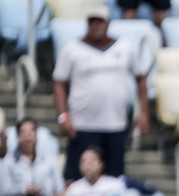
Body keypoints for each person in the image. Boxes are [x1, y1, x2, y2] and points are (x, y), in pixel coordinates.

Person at [53, 5, 149, 182]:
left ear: (108, 23)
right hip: (82, 125)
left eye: (100, 21)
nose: (96, 25)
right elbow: (59, 82)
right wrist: (63, 116)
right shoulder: (72, 48)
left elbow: (141, 78)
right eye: (92, 21)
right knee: (74, 178)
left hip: (115, 125)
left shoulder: (124, 47)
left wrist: (143, 112)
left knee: (114, 179)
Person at [0, 117, 64, 196]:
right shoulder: (8, 161)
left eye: (31, 132)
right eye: (23, 132)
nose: (28, 136)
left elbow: (59, 188)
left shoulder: (49, 160)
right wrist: (24, 190)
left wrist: (42, 191)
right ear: (18, 136)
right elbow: (5, 192)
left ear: (36, 135)